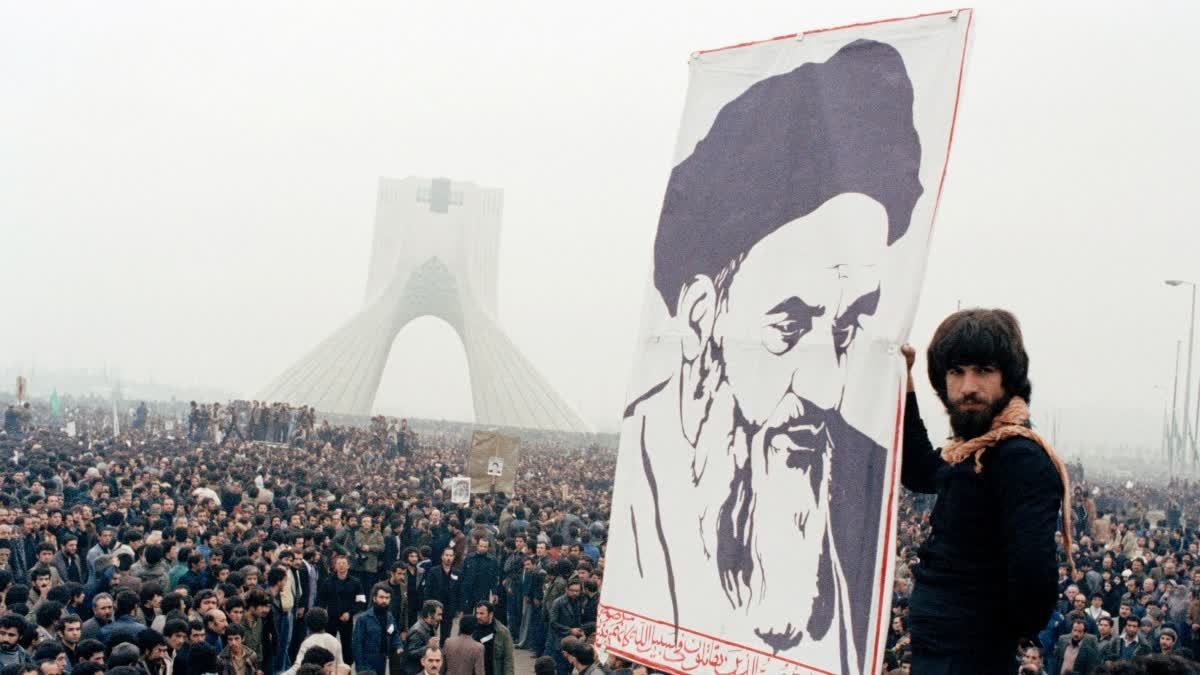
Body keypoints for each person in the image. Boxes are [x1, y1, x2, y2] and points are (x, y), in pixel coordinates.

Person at [900, 309, 1070, 673]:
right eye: (956, 372)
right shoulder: (972, 448)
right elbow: (918, 472)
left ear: (1008, 377)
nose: (968, 387)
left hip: (968, 654)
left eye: (983, 371)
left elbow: (1033, 576)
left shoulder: (1018, 456)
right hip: (940, 645)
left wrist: (986, 632)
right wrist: (904, 381)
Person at [350, 583, 402, 675]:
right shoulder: (363, 619)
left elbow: (394, 633)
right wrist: (361, 667)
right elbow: (357, 644)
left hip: (382, 661)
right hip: (367, 663)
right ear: (374, 598)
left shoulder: (389, 616)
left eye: (387, 598)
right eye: (381, 597)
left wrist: (399, 646)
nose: (384, 601)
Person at [472, 602, 512, 675]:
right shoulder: (471, 628)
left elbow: (508, 659)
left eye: (481, 613)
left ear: (491, 614)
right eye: (477, 613)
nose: (478, 616)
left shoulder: (502, 632)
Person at [403, 601, 443, 675]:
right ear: (429, 614)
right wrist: (428, 646)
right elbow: (411, 652)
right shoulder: (417, 631)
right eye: (439, 614)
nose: (441, 618)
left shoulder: (430, 627)